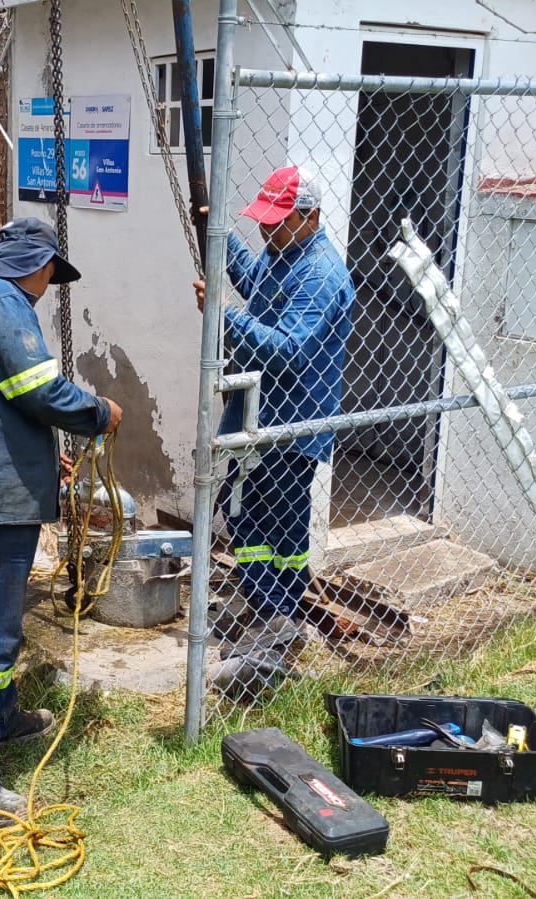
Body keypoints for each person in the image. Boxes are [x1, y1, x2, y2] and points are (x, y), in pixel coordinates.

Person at [0, 217, 123, 817]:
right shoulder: (5, 303)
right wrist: (99, 412)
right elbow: (40, 391)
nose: (47, 284)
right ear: (37, 265)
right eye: (50, 274)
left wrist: (40, 455)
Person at [193, 165, 353, 694]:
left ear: (310, 217)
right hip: (255, 418)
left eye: (276, 223)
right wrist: (224, 241)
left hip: (290, 427)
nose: (266, 232)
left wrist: (222, 316)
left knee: (279, 527)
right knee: (244, 517)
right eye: (261, 223)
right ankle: (265, 607)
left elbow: (290, 351)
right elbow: (255, 282)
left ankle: (279, 620)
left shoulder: (321, 274)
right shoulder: (282, 253)